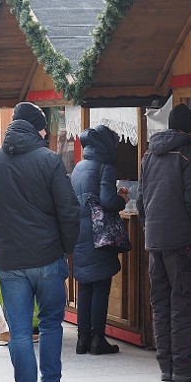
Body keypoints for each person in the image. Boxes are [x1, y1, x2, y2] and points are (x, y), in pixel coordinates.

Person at [0, 102, 80, 382]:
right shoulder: (49, 161)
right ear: (37, 128)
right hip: (48, 258)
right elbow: (69, 210)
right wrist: (65, 248)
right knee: (50, 325)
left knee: (19, 332)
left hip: (10, 261)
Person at [137, 103, 191, 382]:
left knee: (160, 303)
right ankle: (183, 365)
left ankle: (166, 366)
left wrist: (150, 230)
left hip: (155, 241)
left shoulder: (149, 155)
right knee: (182, 304)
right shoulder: (190, 154)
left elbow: (141, 200)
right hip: (181, 242)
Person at [70, 125, 129, 355]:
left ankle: (82, 339)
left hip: (80, 232)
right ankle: (98, 340)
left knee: (85, 285)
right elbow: (107, 200)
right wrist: (122, 198)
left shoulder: (78, 167)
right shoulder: (105, 167)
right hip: (99, 233)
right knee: (101, 286)